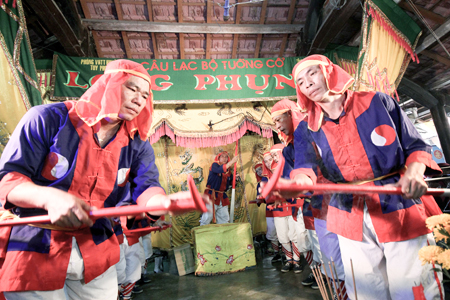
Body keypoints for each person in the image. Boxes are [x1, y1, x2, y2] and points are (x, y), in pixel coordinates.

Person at [0, 59, 194, 299]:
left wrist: (163, 203)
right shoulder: (47, 118)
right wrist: (49, 198)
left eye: (145, 95)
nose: (139, 100)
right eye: (132, 89)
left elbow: (147, 186)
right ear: (107, 84)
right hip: (35, 245)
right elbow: (8, 179)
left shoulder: (138, 145)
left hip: (97, 248)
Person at [286, 54, 443, 299]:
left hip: (397, 204)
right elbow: (304, 167)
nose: (306, 83)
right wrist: (298, 182)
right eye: (300, 81)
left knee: (414, 285)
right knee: (366, 290)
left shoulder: (377, 102)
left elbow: (416, 146)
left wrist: (414, 171)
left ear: (329, 71)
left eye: (312, 73)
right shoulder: (307, 128)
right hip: (349, 213)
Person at [199, 151, 237, 225]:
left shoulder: (228, 172)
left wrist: (236, 179)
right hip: (211, 196)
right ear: (219, 158)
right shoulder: (214, 165)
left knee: (224, 219)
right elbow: (219, 170)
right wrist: (232, 162)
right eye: (222, 156)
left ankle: (222, 235)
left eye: (226, 157)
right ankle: (202, 235)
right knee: (207, 218)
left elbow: (231, 184)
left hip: (222, 197)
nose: (224, 158)